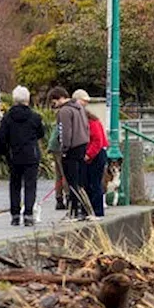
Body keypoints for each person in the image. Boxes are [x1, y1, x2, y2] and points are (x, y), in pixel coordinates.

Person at [0, 86, 44, 227]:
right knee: (30, 185)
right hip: (31, 155)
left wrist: (4, 152)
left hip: (14, 155)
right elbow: (41, 133)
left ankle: (15, 215)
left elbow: (0, 137)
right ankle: (28, 214)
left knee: (15, 185)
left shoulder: (7, 118)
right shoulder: (35, 117)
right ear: (27, 99)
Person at [50, 87, 90, 221]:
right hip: (82, 145)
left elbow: (64, 132)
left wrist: (64, 149)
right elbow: (86, 127)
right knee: (80, 181)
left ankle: (73, 212)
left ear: (59, 98)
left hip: (71, 148)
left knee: (71, 181)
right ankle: (85, 211)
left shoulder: (65, 111)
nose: (53, 105)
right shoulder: (79, 108)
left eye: (53, 102)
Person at [84, 111, 109, 220]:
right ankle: (92, 211)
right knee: (90, 183)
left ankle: (98, 211)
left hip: (96, 155)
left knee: (95, 183)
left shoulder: (92, 123)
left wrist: (88, 154)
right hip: (94, 154)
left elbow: (97, 140)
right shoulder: (93, 121)